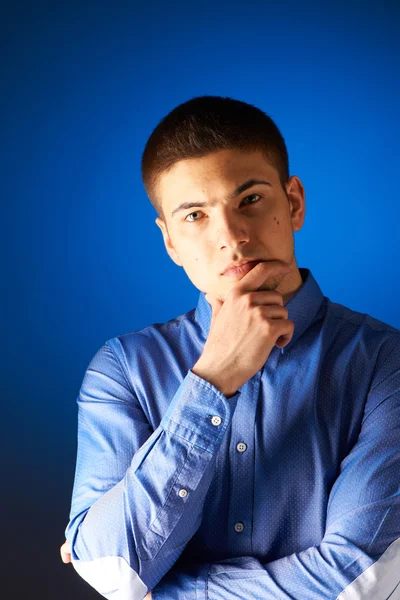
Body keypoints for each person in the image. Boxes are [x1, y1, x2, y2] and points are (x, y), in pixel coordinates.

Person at [61, 96, 400, 599]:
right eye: (195, 215)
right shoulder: (123, 369)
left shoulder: (384, 362)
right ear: (170, 241)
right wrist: (212, 379)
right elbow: (116, 572)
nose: (232, 237)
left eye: (250, 200)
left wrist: (169, 590)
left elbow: (359, 580)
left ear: (294, 203)